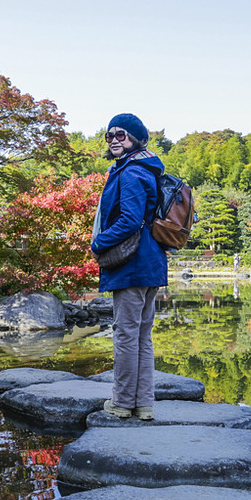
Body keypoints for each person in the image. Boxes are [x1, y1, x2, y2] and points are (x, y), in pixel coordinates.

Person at [90, 113, 168, 421]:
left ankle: (122, 403)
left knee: (126, 335)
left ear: (136, 138)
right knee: (141, 336)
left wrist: (98, 243)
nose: (113, 140)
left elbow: (130, 221)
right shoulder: (144, 168)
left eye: (120, 134)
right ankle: (143, 404)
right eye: (109, 136)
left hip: (132, 264)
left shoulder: (132, 172)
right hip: (150, 263)